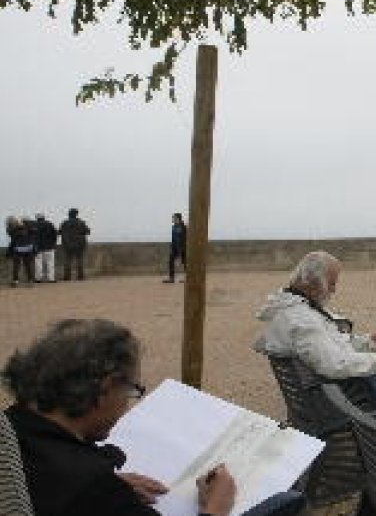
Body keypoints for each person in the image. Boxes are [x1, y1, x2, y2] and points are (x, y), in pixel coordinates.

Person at [3, 318, 305, 516]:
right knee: (287, 502)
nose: (128, 405)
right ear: (105, 389)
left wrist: (110, 483)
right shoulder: (91, 487)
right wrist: (216, 506)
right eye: (131, 390)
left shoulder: (11, 430)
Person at [254, 251, 376, 407]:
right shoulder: (303, 321)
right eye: (331, 283)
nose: (333, 290)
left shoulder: (293, 307)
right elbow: (334, 365)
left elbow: (330, 345)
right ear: (312, 284)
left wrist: (369, 342)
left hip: (320, 386)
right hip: (332, 397)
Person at [59, 208, 91, 281]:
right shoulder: (81, 222)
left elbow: (60, 232)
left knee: (68, 261)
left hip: (68, 244)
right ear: (76, 214)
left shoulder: (65, 223)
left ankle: (67, 277)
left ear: (69, 214)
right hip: (80, 244)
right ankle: (80, 276)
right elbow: (88, 231)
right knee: (79, 260)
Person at [6, 215, 36, 287]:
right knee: (28, 265)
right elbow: (33, 234)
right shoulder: (29, 228)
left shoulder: (11, 230)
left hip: (18, 249)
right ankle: (30, 281)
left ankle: (15, 281)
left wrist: (9, 251)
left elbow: (13, 241)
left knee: (16, 266)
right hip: (29, 248)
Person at [32, 213, 58, 283]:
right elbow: (55, 234)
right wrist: (54, 243)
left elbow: (32, 237)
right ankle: (51, 278)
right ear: (44, 217)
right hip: (49, 247)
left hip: (38, 247)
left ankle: (38, 278)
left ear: (37, 218)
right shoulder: (49, 224)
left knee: (38, 263)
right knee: (50, 263)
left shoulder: (34, 225)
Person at [165, 213, 186, 283]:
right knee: (171, 261)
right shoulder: (173, 227)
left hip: (182, 247)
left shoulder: (183, 227)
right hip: (174, 248)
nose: (172, 219)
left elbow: (184, 238)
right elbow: (173, 239)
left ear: (178, 218)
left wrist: (181, 249)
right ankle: (171, 278)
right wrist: (172, 247)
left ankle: (187, 278)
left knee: (185, 263)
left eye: (174, 218)